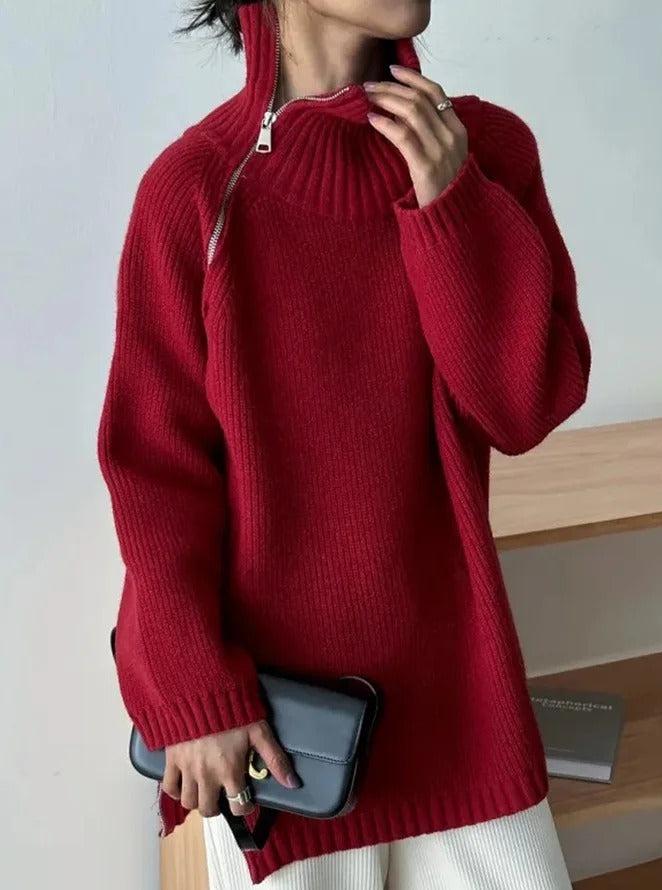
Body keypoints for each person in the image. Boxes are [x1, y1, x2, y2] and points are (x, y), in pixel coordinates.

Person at [96, 0, 591, 887]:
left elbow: (522, 408)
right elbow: (155, 474)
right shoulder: (196, 190)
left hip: (460, 702)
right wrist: (194, 689)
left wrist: (448, 202)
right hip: (276, 734)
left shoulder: (483, 152)